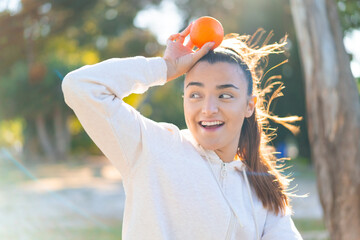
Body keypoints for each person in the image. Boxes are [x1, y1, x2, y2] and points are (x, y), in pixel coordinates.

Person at [62, 22, 303, 240]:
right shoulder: (151, 147)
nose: (208, 109)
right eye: (195, 95)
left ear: (249, 105)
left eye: (225, 95)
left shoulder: (264, 189)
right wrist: (165, 68)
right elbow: (80, 86)